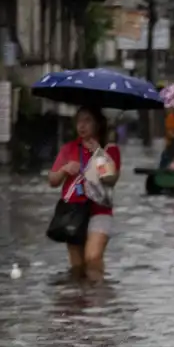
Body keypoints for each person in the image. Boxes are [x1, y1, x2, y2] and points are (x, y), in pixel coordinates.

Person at [49, 106, 120, 280]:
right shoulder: (69, 149)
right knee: (77, 266)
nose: (82, 125)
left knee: (92, 257)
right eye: (79, 121)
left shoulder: (109, 150)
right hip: (74, 211)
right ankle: (80, 301)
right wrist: (65, 169)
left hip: (100, 210)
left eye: (87, 120)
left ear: (97, 124)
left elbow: (110, 178)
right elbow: (53, 180)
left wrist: (98, 153)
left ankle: (98, 301)